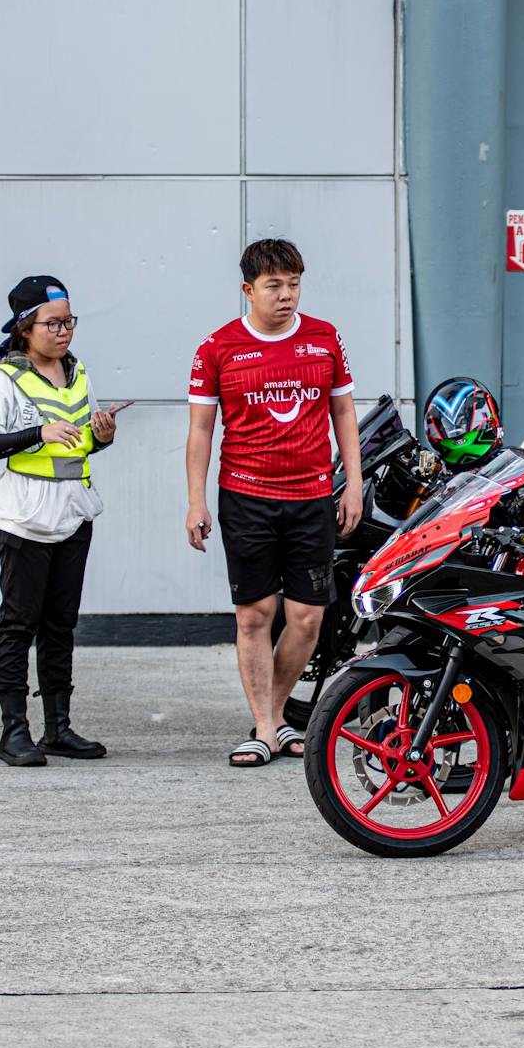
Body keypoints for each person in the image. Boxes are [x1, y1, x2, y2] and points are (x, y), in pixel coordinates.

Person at [185, 239, 363, 768]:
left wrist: (351, 482)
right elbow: (200, 432)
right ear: (248, 290)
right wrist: (196, 502)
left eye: (294, 284)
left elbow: (344, 415)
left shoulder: (324, 338)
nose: (286, 296)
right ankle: (266, 727)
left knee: (307, 618)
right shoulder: (217, 349)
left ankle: (275, 714)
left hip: (311, 496)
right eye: (274, 286)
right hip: (245, 497)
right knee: (255, 615)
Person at [0, 275, 122, 767]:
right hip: (25, 518)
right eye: (52, 323)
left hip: (73, 513)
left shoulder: (79, 375)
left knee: (60, 626)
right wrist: (37, 431)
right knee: (19, 625)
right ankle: (14, 732)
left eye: (68, 322)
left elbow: (84, 441)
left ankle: (58, 728)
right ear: (24, 328)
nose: (63, 332)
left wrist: (102, 435)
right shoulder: (5, 380)